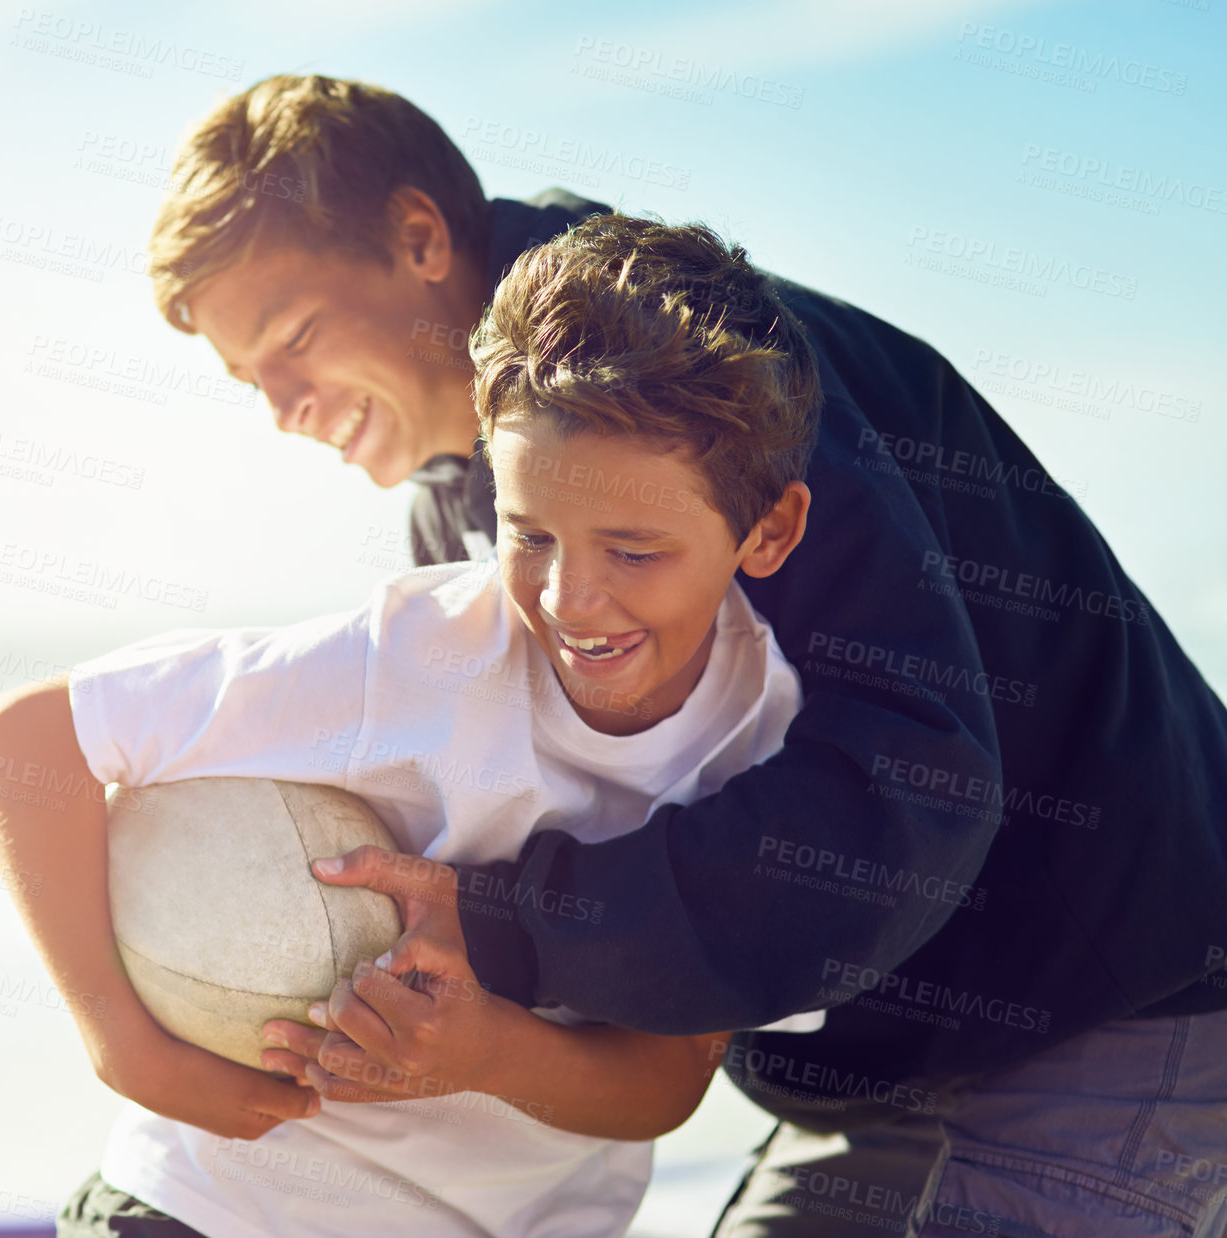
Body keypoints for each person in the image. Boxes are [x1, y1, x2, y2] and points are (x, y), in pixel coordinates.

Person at [137, 74, 1227, 1236]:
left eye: (294, 340)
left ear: (417, 237)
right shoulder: (464, 504)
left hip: (1114, 990)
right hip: (864, 1062)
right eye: (251, 379)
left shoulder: (693, 374)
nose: (284, 407)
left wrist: (514, 926)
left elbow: (907, 786)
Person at [0, 217, 831, 1236]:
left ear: (768, 529)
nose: (569, 596)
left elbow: (667, 1077)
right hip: (214, 1207)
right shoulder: (412, 655)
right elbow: (28, 741)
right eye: (530, 535)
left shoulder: (768, 752)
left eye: (633, 551)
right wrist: (125, 1043)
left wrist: (483, 1053)